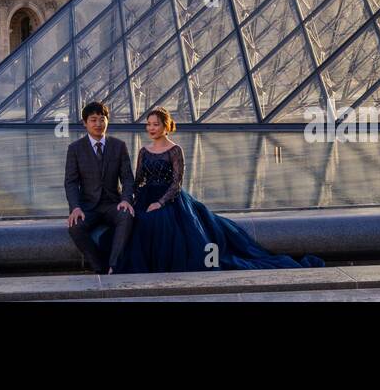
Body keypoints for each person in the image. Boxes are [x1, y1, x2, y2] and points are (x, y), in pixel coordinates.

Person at [116, 107, 324, 273]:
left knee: (158, 223)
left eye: (155, 124)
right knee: (138, 222)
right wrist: (128, 199)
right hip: (146, 196)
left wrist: (159, 202)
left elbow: (177, 184)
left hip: (169, 199)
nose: (151, 128)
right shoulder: (144, 151)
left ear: (165, 126)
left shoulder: (175, 150)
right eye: (149, 125)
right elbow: (138, 181)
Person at [64, 101, 136, 274]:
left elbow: (127, 178)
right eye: (93, 120)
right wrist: (75, 207)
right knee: (75, 227)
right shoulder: (75, 149)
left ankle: (114, 265)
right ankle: (99, 266)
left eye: (102, 119)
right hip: (88, 206)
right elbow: (71, 182)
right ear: (84, 123)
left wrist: (126, 199)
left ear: (107, 121)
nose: (98, 124)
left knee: (126, 217)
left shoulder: (119, 146)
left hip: (113, 204)